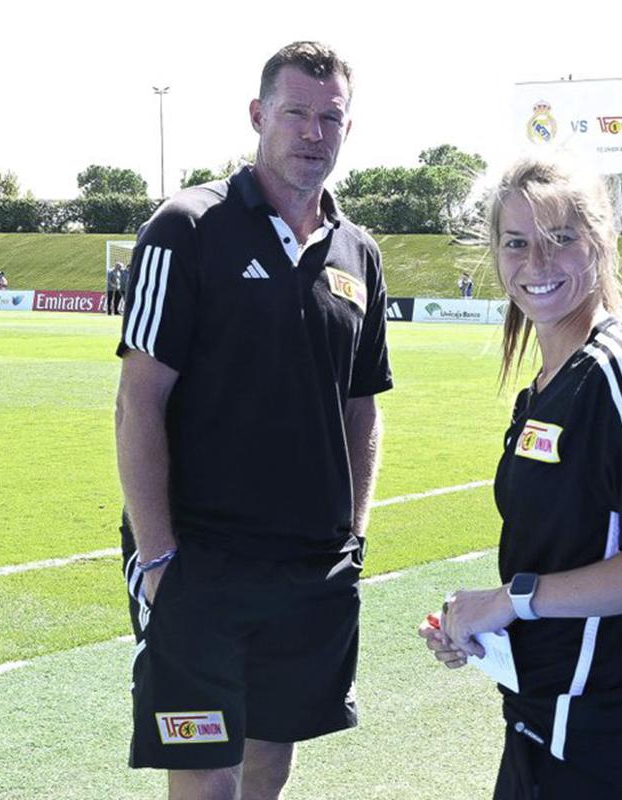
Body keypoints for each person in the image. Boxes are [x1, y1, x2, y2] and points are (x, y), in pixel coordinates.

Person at [115, 41, 391, 800]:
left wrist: (355, 535)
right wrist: (161, 557)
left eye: (329, 117)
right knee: (208, 779)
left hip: (311, 568)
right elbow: (139, 400)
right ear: (258, 116)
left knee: (271, 759)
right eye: (295, 113)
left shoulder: (359, 253)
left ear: (346, 127)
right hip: (201, 564)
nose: (312, 132)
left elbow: (361, 406)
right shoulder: (187, 228)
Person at [418, 157, 622, 800]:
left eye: (560, 239)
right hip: (541, 723)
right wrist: (483, 628)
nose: (537, 263)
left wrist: (510, 600)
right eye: (516, 242)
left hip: (603, 742)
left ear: (600, 242)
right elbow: (568, 558)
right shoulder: (543, 388)